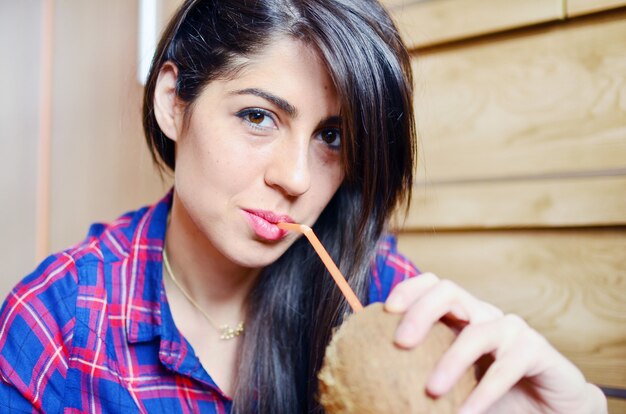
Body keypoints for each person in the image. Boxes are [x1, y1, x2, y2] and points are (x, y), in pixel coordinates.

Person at [0, 0, 607, 413]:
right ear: (172, 104)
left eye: (332, 137)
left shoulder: (384, 299)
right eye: (258, 116)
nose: (295, 179)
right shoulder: (56, 327)